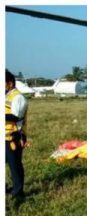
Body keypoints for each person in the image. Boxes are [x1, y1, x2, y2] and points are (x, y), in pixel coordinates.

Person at [5, 69, 29, 207]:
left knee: (15, 165)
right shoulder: (6, 95)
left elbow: (16, 117)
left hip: (13, 137)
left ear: (9, 83)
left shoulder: (18, 97)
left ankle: (18, 192)